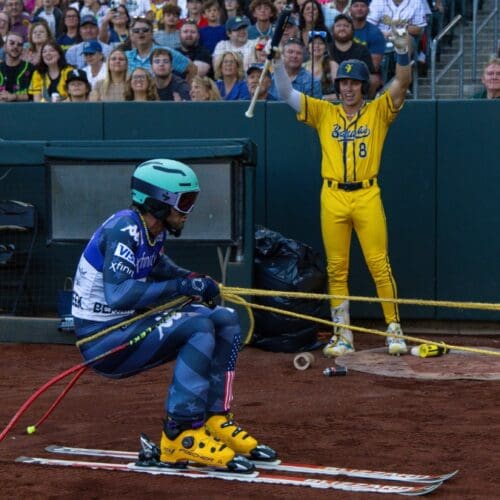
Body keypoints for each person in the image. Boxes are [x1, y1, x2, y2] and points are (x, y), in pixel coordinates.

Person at [71, 159, 276, 470]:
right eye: (184, 202)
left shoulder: (154, 230)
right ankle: (180, 435)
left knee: (226, 319)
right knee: (197, 324)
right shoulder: (124, 229)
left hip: (128, 328)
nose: (188, 211)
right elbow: (119, 296)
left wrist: (195, 279)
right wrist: (183, 285)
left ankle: (214, 417)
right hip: (104, 343)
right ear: (157, 203)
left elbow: (162, 268)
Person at [272, 26, 412, 357]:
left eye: (354, 83)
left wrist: (403, 53)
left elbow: (402, 82)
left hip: (366, 193)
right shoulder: (324, 111)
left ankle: (394, 328)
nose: (348, 88)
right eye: (343, 83)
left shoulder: (378, 111)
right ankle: (343, 333)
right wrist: (276, 61)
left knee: (379, 263)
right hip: (332, 195)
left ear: (364, 86)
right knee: (337, 268)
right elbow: (285, 92)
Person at [125, 17, 196, 79]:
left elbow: (192, 68)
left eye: (145, 30)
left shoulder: (166, 52)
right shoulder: (126, 56)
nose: (141, 33)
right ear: (132, 35)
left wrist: (186, 90)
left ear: (152, 33)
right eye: (136, 31)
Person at [329, 14, 377, 97]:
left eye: (346, 26)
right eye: (338, 25)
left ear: (352, 30)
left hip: (355, 91)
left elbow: (369, 76)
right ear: (333, 30)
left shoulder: (362, 50)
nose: (342, 28)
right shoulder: (327, 49)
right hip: (330, 92)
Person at [350, 0, 385, 89]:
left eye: (363, 6)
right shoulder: (343, 29)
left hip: (365, 73)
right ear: (350, 9)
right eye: (356, 6)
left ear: (368, 10)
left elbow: (374, 66)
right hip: (341, 70)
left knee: (373, 80)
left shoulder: (375, 32)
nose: (359, 9)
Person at [0, 31, 34, 102]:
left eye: (19, 44)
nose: (15, 46)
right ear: (5, 46)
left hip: (24, 110)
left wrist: (14, 96)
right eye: (12, 43)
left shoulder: (31, 68)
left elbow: (34, 94)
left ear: (22, 49)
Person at [303, 30, 335, 99]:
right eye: (313, 43)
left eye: (320, 43)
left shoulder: (332, 65)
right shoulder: (302, 67)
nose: (317, 46)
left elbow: (340, 94)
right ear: (308, 46)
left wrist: (322, 98)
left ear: (325, 47)